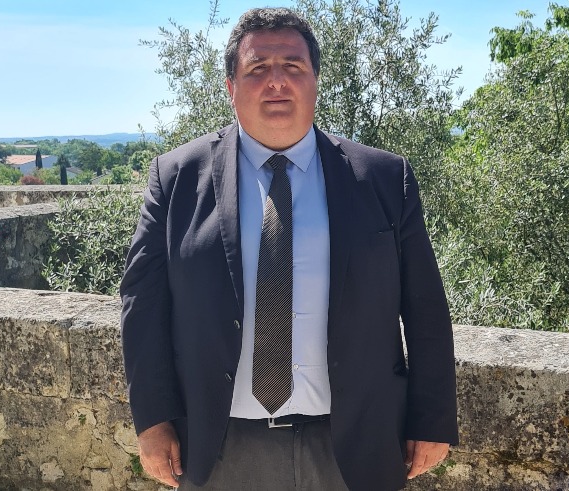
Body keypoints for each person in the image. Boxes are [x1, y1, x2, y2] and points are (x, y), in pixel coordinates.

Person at [120, 7, 457, 491]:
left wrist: (432, 418)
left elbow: (425, 308)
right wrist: (152, 422)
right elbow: (143, 307)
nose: (276, 81)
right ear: (231, 87)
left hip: (354, 447)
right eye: (258, 68)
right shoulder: (175, 180)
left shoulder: (385, 179)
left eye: (293, 66)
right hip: (218, 448)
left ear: (315, 81)